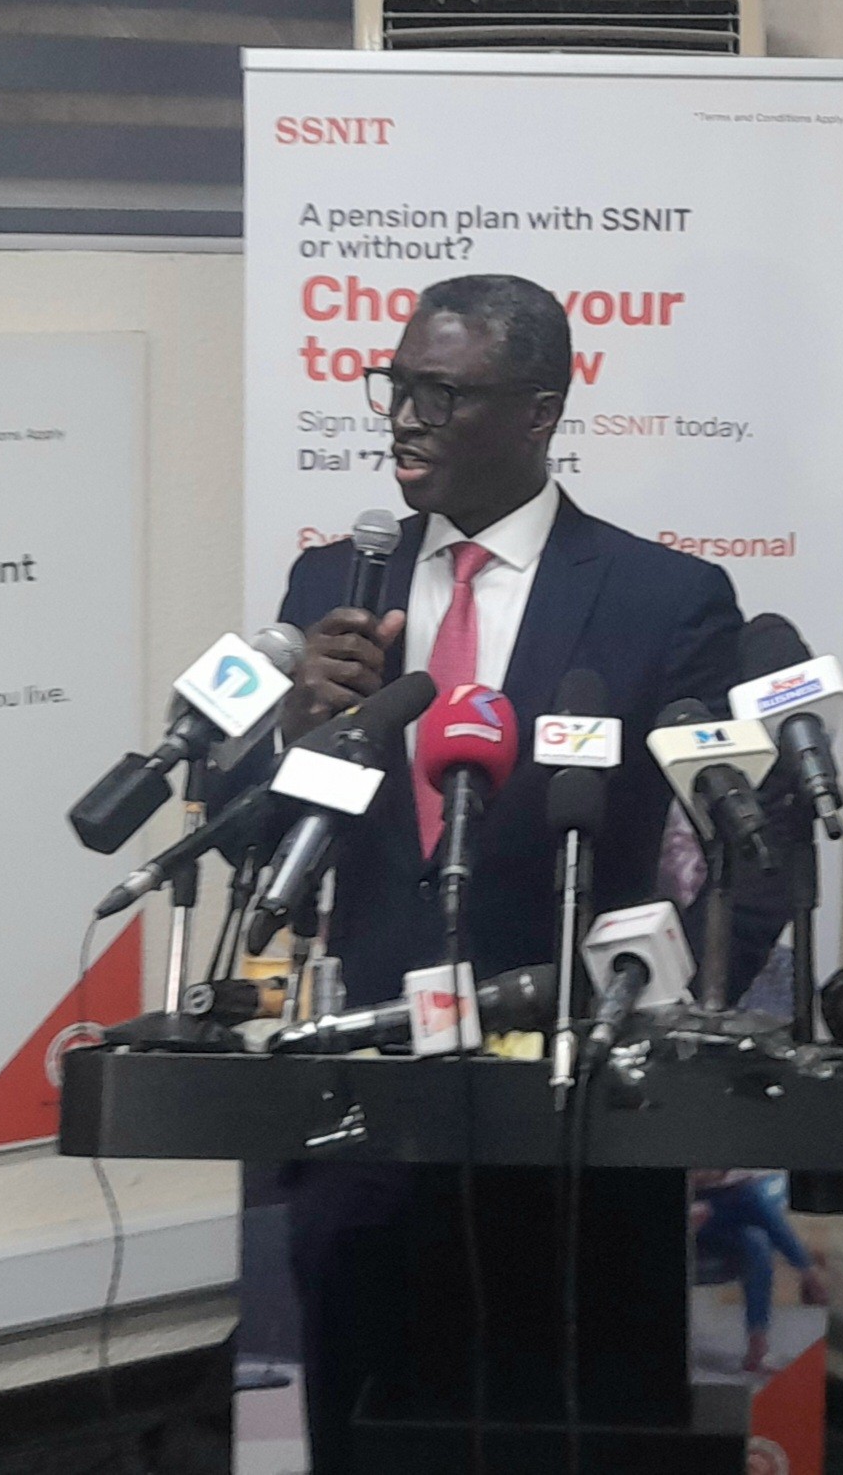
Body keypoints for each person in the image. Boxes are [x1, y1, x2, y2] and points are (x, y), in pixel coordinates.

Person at [266, 273, 746, 1472]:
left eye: (443, 393)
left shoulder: (664, 600)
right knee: (364, 1424)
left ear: (538, 412)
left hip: (579, 1108)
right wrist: (298, 731)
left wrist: (669, 1024)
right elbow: (265, 846)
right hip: (370, 1097)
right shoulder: (332, 587)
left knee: (576, 1431)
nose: (404, 417)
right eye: (396, 386)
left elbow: (725, 857)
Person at [692, 1170, 830, 1373]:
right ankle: (809, 1274)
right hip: (696, 1211)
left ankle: (757, 1342)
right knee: (751, 1197)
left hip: (720, 1205)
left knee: (756, 1239)